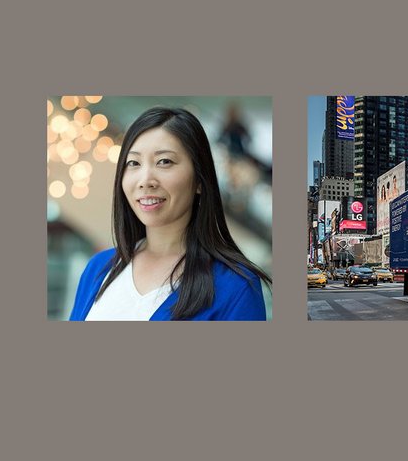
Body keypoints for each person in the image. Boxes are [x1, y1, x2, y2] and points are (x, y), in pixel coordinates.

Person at [69, 107, 271, 321]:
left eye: (164, 161)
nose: (145, 180)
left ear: (199, 180)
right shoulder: (98, 268)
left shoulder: (236, 287)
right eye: (134, 163)